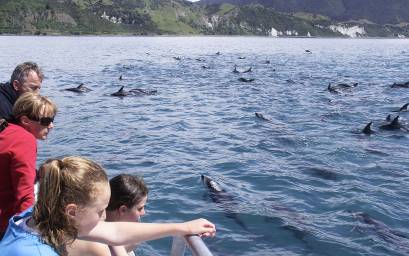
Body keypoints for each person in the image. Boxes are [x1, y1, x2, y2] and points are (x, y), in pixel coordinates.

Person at [0, 157, 216, 256]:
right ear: (72, 211)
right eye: (100, 210)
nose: (105, 216)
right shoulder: (33, 252)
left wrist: (181, 228)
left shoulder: (39, 215)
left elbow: (114, 231)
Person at [0, 92, 56, 239]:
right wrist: (26, 235)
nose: (51, 125)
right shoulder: (24, 140)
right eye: (45, 121)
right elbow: (24, 194)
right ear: (25, 120)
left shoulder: (5, 129)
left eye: (52, 119)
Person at [67, 174, 149, 256]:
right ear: (122, 210)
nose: (143, 213)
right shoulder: (99, 244)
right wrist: (123, 247)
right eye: (140, 209)